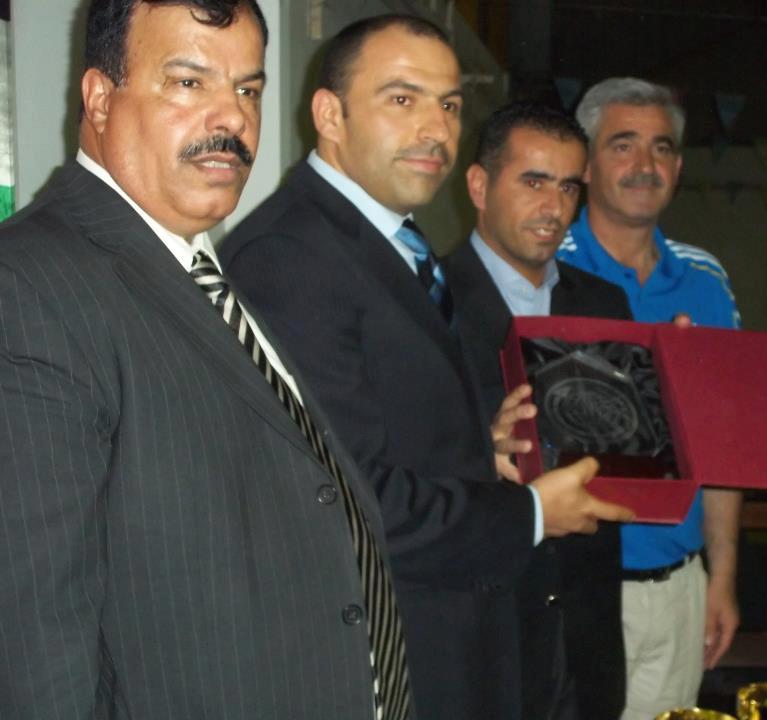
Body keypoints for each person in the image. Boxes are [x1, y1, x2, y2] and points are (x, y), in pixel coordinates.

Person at [220, 15, 634, 720]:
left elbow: (387, 433)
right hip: (385, 666)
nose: (436, 129)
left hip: (447, 647)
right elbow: (346, 502)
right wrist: (534, 512)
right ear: (330, 115)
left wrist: (480, 445)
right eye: (402, 99)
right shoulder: (292, 256)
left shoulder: (392, 244)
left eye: (448, 104)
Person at [0, 2, 406, 718]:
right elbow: (36, 640)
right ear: (100, 98)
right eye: (189, 82)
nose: (233, 118)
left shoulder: (196, 271)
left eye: (247, 88)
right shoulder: (30, 284)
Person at [556, 76, 742, 719]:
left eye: (661, 148)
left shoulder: (706, 281)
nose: (645, 165)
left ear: (678, 168)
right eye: (623, 145)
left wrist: (722, 576)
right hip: (573, 583)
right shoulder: (546, 267)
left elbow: (723, 446)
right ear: (585, 163)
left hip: (678, 587)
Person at [443, 101, 632, 720]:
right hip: (481, 629)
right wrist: (481, 446)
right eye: (533, 182)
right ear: (479, 186)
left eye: (568, 187)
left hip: (587, 634)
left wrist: (676, 385)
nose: (554, 207)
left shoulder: (606, 305)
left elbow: (631, 456)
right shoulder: (426, 302)